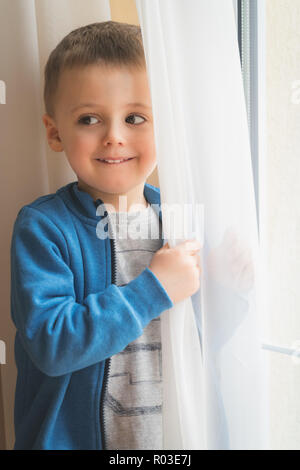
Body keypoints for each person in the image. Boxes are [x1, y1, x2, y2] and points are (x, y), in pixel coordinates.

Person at [10, 21, 201, 450]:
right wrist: (151, 290)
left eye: (135, 117)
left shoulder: (179, 221)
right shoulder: (43, 228)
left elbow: (198, 339)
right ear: (56, 133)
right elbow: (52, 344)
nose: (114, 137)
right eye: (89, 119)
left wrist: (233, 286)